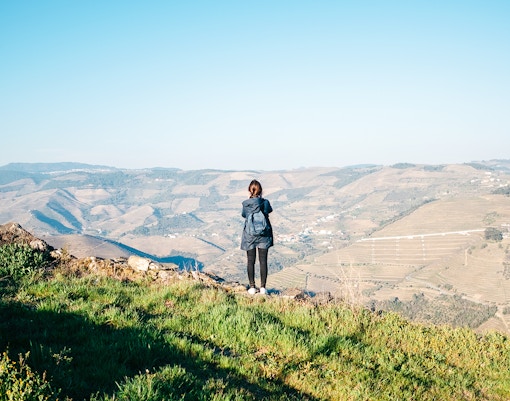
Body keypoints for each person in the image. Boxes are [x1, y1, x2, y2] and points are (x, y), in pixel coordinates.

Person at [240, 179, 273, 295]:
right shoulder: (265, 202)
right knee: (263, 261)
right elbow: (269, 210)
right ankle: (263, 287)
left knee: (250, 261)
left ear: (249, 190)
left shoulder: (246, 204)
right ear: (261, 190)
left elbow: (244, 215)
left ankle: (252, 287)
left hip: (250, 235)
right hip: (264, 235)